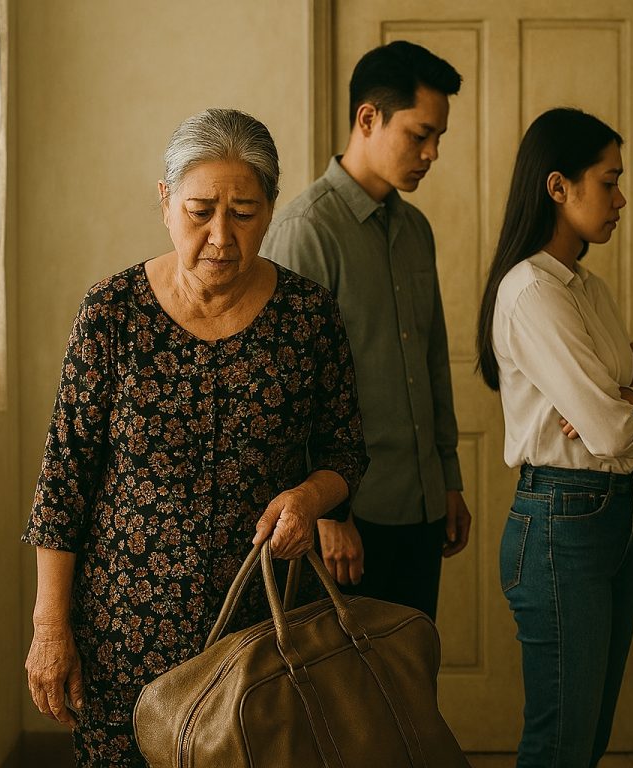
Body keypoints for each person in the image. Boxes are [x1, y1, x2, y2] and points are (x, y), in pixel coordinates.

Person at [22, 108, 368, 767]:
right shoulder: (111, 313)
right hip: (122, 634)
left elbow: (344, 453)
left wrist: (309, 498)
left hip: (256, 634)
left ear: (271, 210)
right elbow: (63, 480)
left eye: (243, 212)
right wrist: (49, 629)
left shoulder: (308, 316)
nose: (221, 236)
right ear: (164, 201)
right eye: (200, 209)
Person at [476, 107, 633, 767]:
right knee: (561, 743)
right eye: (609, 180)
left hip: (609, 515)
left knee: (587, 740)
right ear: (558, 187)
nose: (621, 199)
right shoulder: (533, 291)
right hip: (562, 522)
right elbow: (613, 428)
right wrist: (621, 401)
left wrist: (625, 398)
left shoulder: (585, 287)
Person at [262, 40, 471, 622]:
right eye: (419, 135)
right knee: (350, 701)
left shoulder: (416, 230)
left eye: (439, 139)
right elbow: (287, 392)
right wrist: (330, 515)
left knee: (412, 681)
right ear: (368, 118)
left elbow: (432, 363)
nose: (431, 153)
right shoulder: (308, 230)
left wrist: (447, 479)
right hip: (350, 515)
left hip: (423, 501)